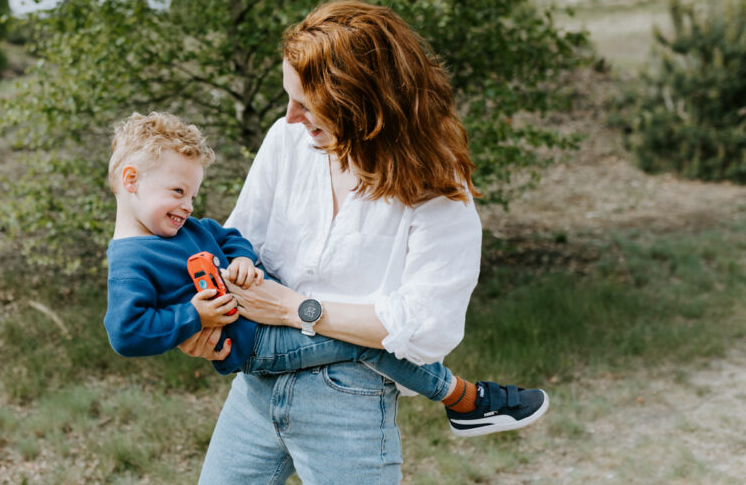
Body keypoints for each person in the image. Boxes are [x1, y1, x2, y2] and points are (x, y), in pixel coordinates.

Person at [179, 0, 544, 485]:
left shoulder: (436, 192)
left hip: (348, 401)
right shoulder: (287, 141)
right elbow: (240, 239)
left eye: (307, 104)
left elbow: (427, 329)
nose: (291, 117)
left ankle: (465, 399)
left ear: (365, 105)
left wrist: (297, 309)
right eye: (288, 97)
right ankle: (466, 400)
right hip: (254, 385)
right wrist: (202, 321)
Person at [104, 111, 547, 441]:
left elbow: (232, 237)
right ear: (131, 180)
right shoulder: (131, 260)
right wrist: (192, 317)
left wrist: (239, 259)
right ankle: (466, 400)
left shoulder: (187, 227)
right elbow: (127, 332)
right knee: (363, 340)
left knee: (367, 340)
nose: (188, 206)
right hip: (254, 343)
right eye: (178, 192)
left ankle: (464, 401)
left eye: (193, 194)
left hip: (267, 320)